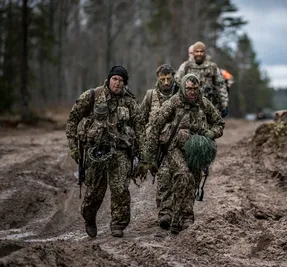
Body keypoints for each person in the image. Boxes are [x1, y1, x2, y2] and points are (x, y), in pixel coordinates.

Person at [136, 73, 225, 234]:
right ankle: (175, 218)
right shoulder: (173, 102)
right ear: (183, 88)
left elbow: (219, 123)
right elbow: (156, 125)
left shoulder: (204, 103)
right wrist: (149, 156)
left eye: (195, 89)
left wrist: (212, 133)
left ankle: (187, 216)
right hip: (174, 148)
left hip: (196, 151)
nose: (192, 92)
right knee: (183, 175)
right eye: (189, 89)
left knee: (193, 181)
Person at [65, 66, 144, 238]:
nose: (118, 83)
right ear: (109, 79)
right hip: (96, 151)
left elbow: (140, 128)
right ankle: (89, 218)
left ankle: (118, 224)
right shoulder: (92, 96)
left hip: (120, 151)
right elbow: (72, 120)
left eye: (121, 81)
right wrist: (73, 147)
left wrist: (143, 156)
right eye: (115, 79)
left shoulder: (130, 101)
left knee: (121, 189)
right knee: (94, 191)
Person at [139, 64, 179, 224]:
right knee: (163, 176)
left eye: (169, 78)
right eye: (163, 79)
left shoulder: (180, 94)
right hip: (158, 146)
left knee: (180, 177)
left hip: (177, 142)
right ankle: (165, 212)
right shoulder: (150, 96)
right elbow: (140, 119)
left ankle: (179, 211)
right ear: (158, 78)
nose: (166, 82)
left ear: (173, 76)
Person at [176, 41, 229, 117]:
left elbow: (220, 85)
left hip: (209, 106)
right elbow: (178, 83)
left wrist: (224, 104)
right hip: (190, 107)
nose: (199, 54)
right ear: (193, 53)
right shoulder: (186, 66)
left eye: (201, 51)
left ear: (205, 52)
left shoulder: (212, 67)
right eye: (197, 51)